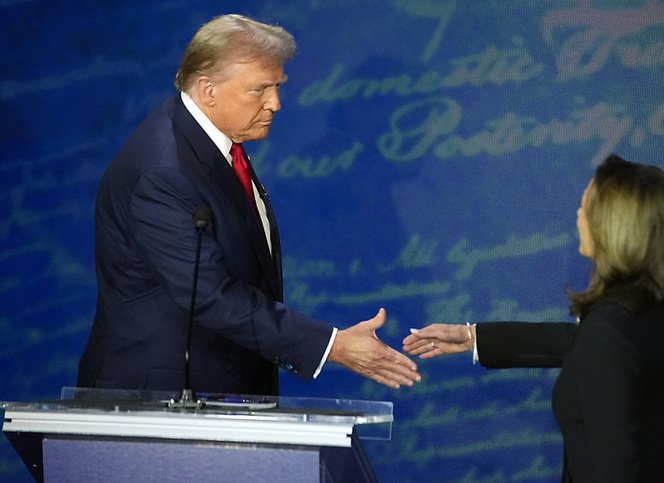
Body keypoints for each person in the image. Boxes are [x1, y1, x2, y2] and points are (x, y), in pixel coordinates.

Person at [77, 14, 420, 396]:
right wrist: (331, 346)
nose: (275, 103)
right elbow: (209, 295)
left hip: (215, 390)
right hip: (160, 400)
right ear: (208, 90)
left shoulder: (212, 143)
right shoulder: (164, 171)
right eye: (260, 90)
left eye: (277, 87)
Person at [403, 154, 664, 482]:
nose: (578, 215)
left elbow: (613, 467)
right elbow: (599, 348)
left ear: (613, 228)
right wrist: (474, 338)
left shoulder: (610, 331)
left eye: (585, 207)